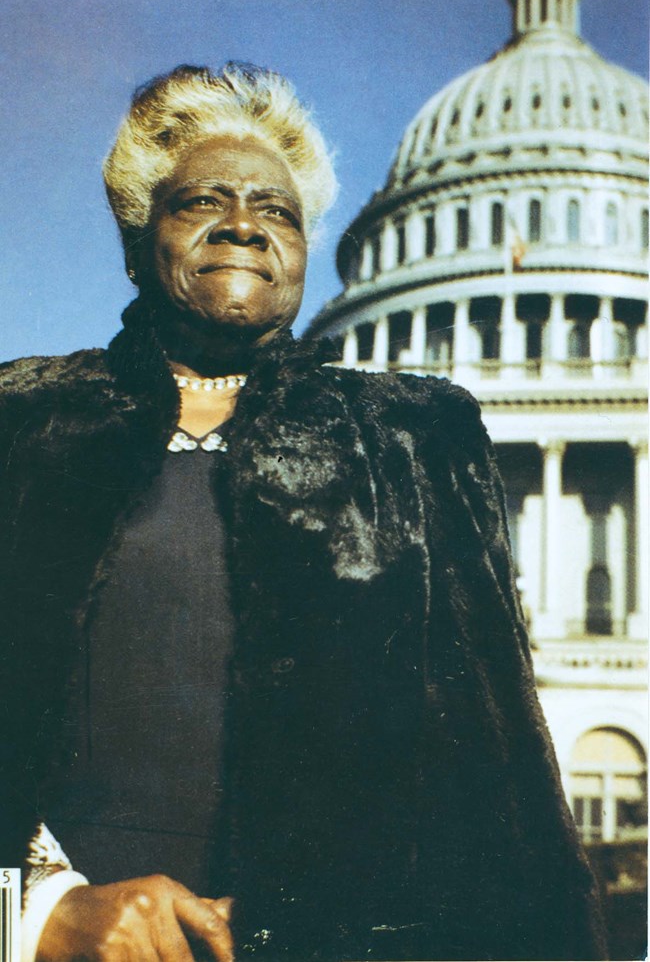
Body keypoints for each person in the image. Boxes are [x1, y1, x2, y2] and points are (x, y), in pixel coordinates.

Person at [0, 63, 607, 962]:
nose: (244, 223)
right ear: (137, 242)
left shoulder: (414, 438)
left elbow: (500, 780)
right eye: (202, 200)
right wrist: (39, 915)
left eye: (276, 211)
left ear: (305, 256)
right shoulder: (24, 425)